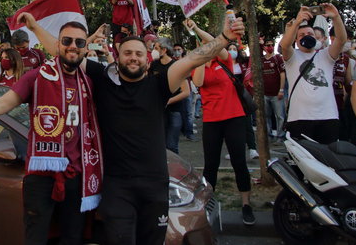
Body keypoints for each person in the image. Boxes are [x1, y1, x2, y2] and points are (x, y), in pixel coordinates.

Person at [25, 12, 245, 243]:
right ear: (116, 58)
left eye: (139, 54)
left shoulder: (161, 83)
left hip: (155, 188)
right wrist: (34, 27)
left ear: (147, 60)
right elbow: (66, 51)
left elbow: (193, 59)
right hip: (116, 187)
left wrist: (224, 38)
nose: (133, 58)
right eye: (127, 53)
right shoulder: (103, 80)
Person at [0, 20, 104, 245]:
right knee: (36, 238)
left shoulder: (91, 81)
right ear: (58, 45)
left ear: (85, 48)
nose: (72, 46)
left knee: (72, 239)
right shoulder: (36, 76)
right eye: (67, 40)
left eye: (79, 42)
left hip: (78, 175)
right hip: (41, 176)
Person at [188, 21, 255, 226]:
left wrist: (197, 29)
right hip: (211, 121)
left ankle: (246, 205)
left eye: (209, 48)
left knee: (239, 163)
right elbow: (198, 83)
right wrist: (200, 58)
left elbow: (217, 42)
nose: (207, 49)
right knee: (211, 165)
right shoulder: (198, 68)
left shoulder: (224, 60)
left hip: (234, 116)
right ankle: (208, 205)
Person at [279, 4, 347, 143]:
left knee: (328, 162)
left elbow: (341, 40)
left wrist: (336, 17)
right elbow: (285, 45)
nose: (306, 37)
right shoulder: (292, 57)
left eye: (310, 34)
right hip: (299, 118)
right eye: (301, 35)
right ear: (296, 41)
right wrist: (297, 22)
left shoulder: (326, 55)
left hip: (328, 117)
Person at [151, 37, 190, 154]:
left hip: (175, 111)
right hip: (159, 111)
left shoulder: (176, 66)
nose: (154, 50)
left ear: (164, 50)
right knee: (160, 145)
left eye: (156, 48)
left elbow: (186, 91)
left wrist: (167, 101)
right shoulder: (153, 65)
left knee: (172, 146)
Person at [227, 43, 259, 160]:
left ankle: (252, 149)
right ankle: (233, 150)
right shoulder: (223, 64)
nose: (232, 51)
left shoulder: (243, 64)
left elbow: (254, 59)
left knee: (247, 124)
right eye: (229, 49)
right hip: (228, 99)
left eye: (234, 49)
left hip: (242, 99)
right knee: (231, 127)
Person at [261, 39, 286, 141]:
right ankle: (269, 135)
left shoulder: (277, 58)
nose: (270, 47)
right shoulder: (262, 60)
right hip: (265, 93)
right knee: (266, 116)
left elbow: (282, 74)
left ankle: (280, 135)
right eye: (268, 45)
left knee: (280, 116)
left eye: (272, 45)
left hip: (276, 94)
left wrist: (281, 90)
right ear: (264, 47)